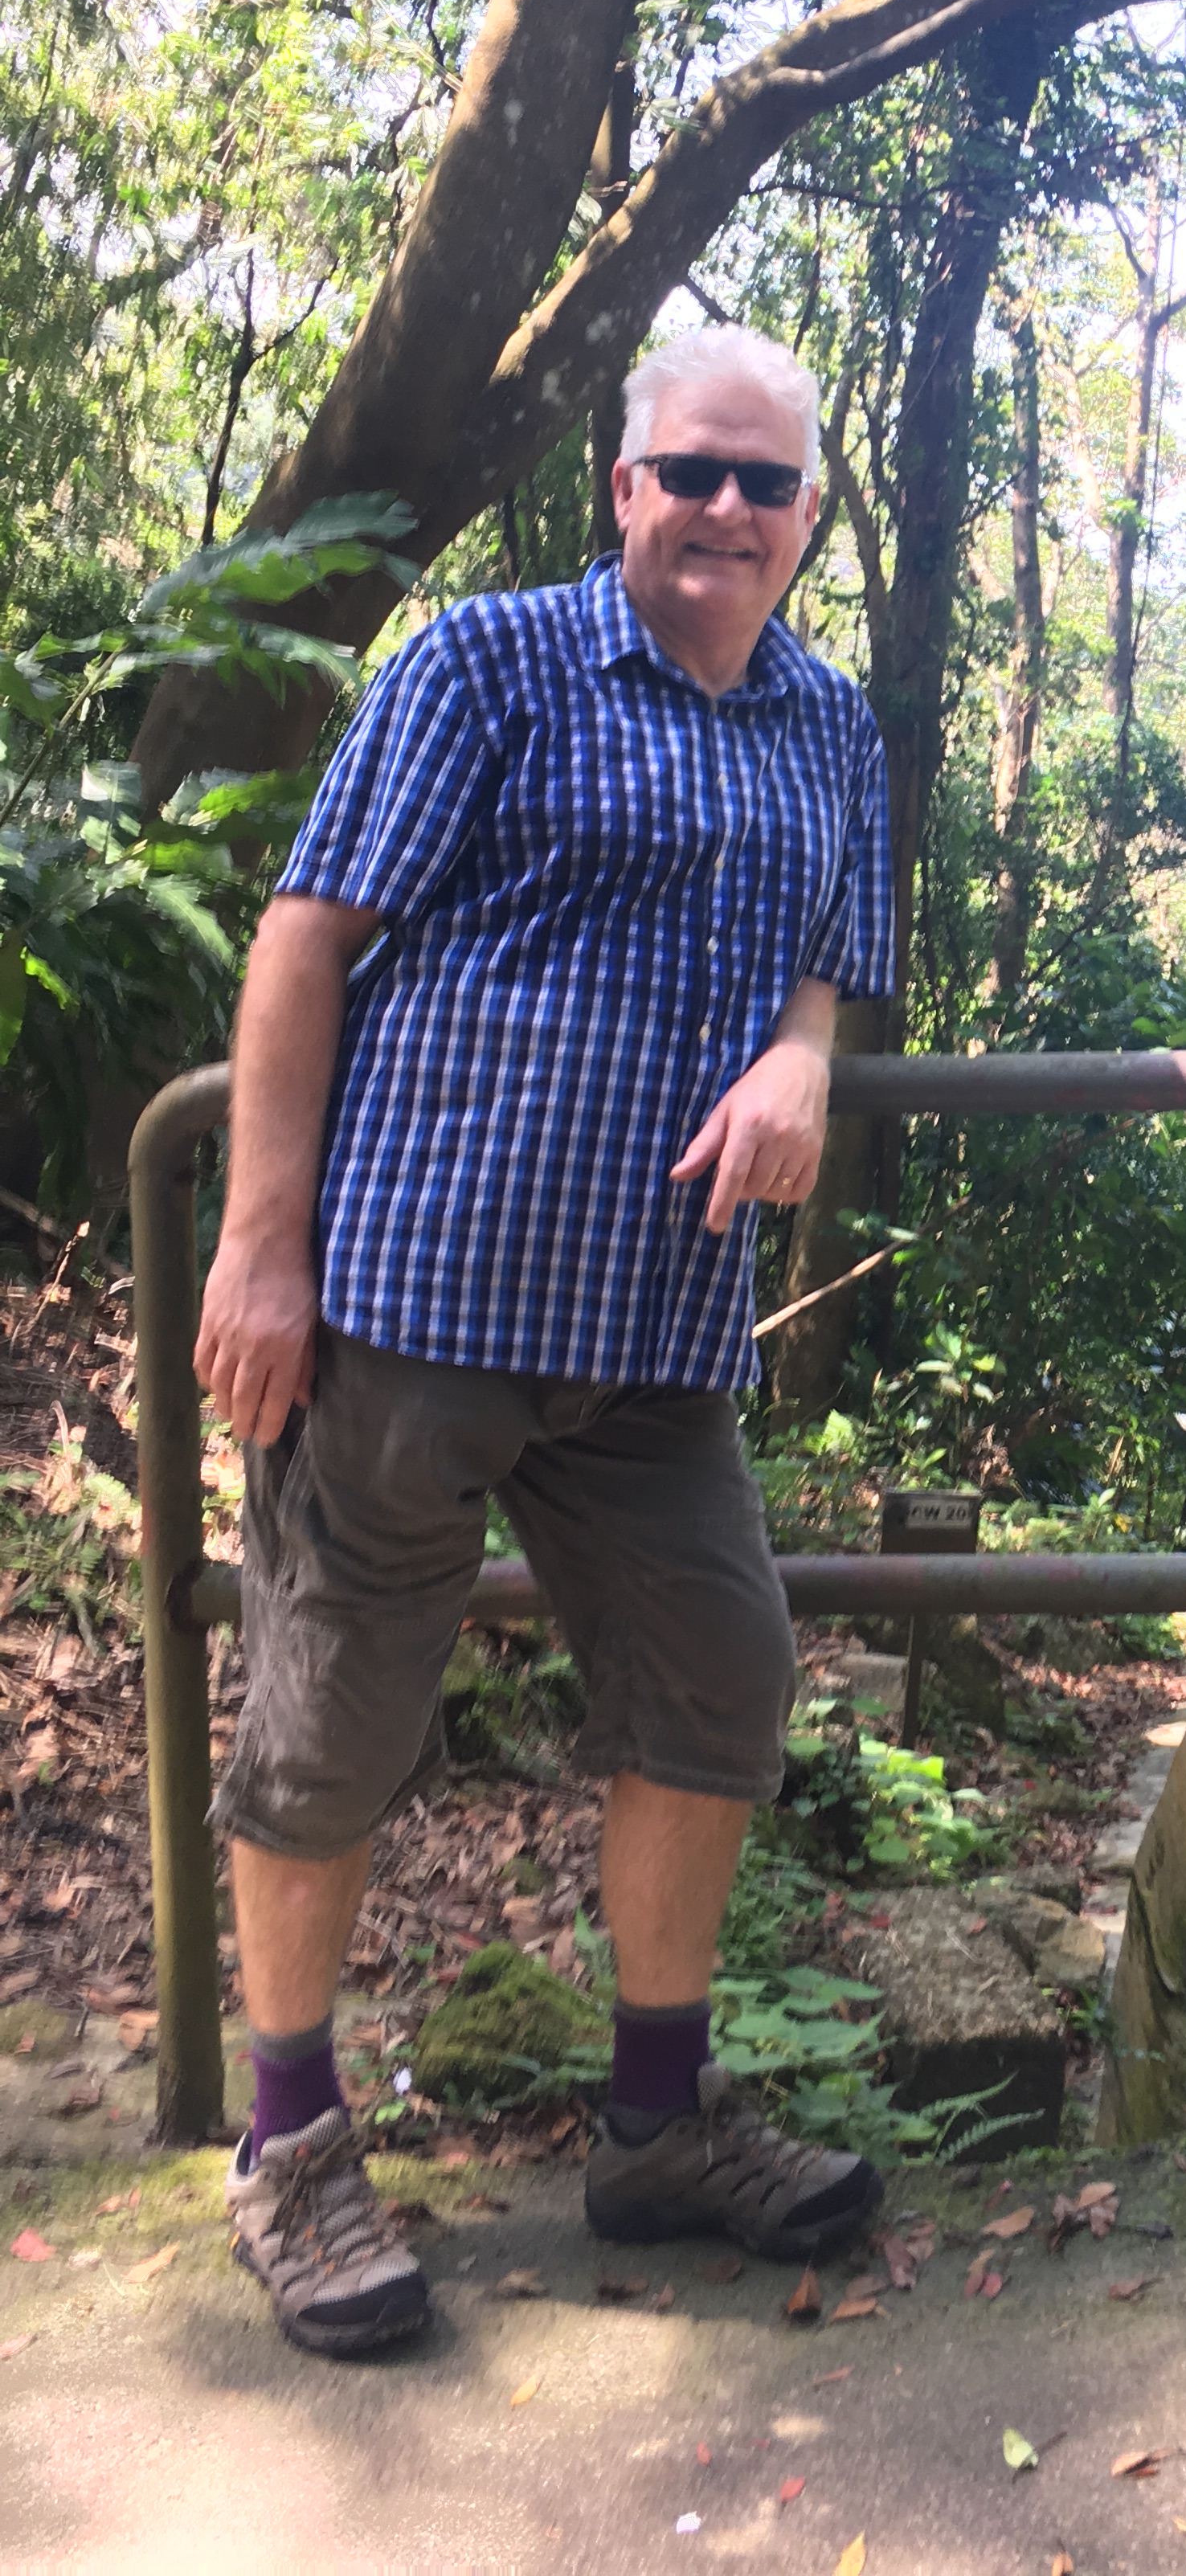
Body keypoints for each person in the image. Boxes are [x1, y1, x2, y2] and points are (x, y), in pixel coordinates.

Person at [194, 321, 891, 2358]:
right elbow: (305, 939)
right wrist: (260, 1250)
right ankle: (289, 2150)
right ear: (624, 486)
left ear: (808, 516)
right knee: (335, 1719)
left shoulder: (831, 726)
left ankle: (656, 2127)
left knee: (721, 1678)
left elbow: (829, 964)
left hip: (655, 1325)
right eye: (693, 471)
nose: (727, 509)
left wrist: (804, 1060)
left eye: (766, 483)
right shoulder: (487, 665)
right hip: (412, 1296)